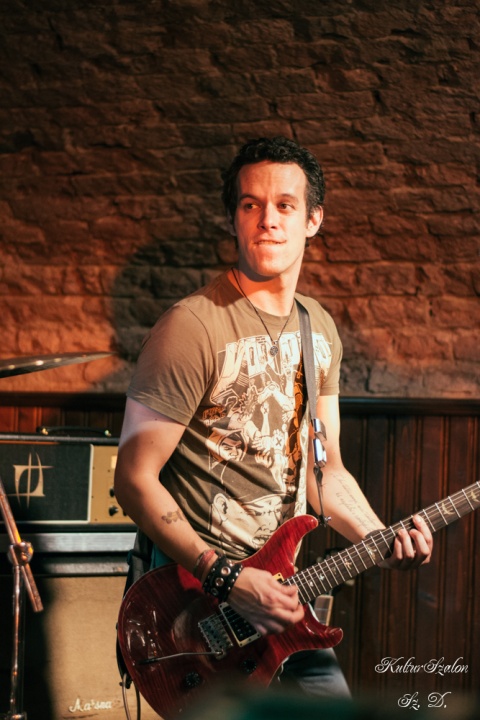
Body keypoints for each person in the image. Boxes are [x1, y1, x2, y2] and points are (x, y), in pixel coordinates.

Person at [114, 136, 433, 699]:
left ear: (313, 220)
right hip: (199, 610)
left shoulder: (319, 329)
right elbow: (133, 479)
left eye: (285, 205)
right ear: (233, 219)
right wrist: (225, 577)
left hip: (285, 598)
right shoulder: (191, 327)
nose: (268, 220)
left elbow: (325, 470)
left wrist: (380, 541)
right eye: (251, 205)